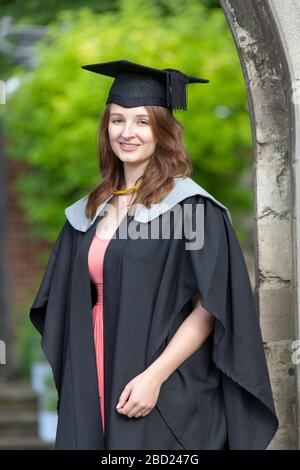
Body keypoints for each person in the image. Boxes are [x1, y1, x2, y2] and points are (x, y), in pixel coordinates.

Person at [29, 59, 279, 450]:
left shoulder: (191, 209)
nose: (127, 132)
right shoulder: (90, 211)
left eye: (142, 121)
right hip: (93, 367)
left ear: (163, 131)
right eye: (117, 120)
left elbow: (210, 307)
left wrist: (154, 377)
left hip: (161, 380)